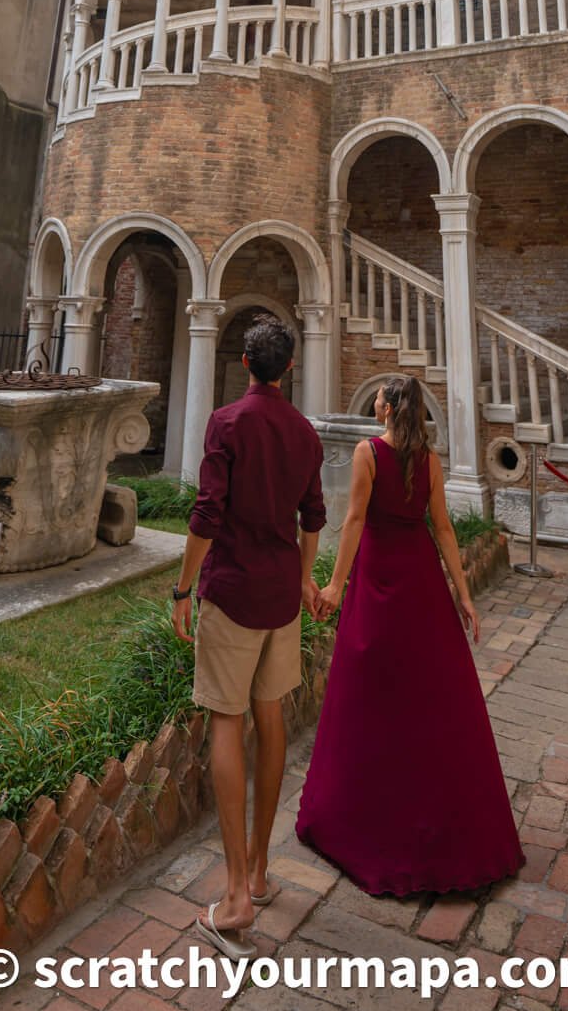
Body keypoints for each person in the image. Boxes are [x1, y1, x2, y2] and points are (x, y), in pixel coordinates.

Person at [296, 373, 523, 897]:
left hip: (379, 578)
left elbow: (353, 520)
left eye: (379, 395)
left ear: (388, 407)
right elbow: (442, 527)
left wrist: (334, 585)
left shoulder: (369, 453)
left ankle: (364, 821)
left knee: (369, 694)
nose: (374, 400)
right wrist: (462, 594)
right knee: (429, 698)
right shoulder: (430, 461)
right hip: (419, 578)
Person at [170, 315, 325, 957]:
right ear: (289, 368)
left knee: (226, 723)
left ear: (244, 362)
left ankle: (234, 895)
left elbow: (207, 513)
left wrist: (183, 587)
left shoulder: (228, 423)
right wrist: (305, 577)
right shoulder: (304, 433)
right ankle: (260, 871)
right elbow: (312, 517)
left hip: (233, 592)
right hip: (281, 596)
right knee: (271, 720)